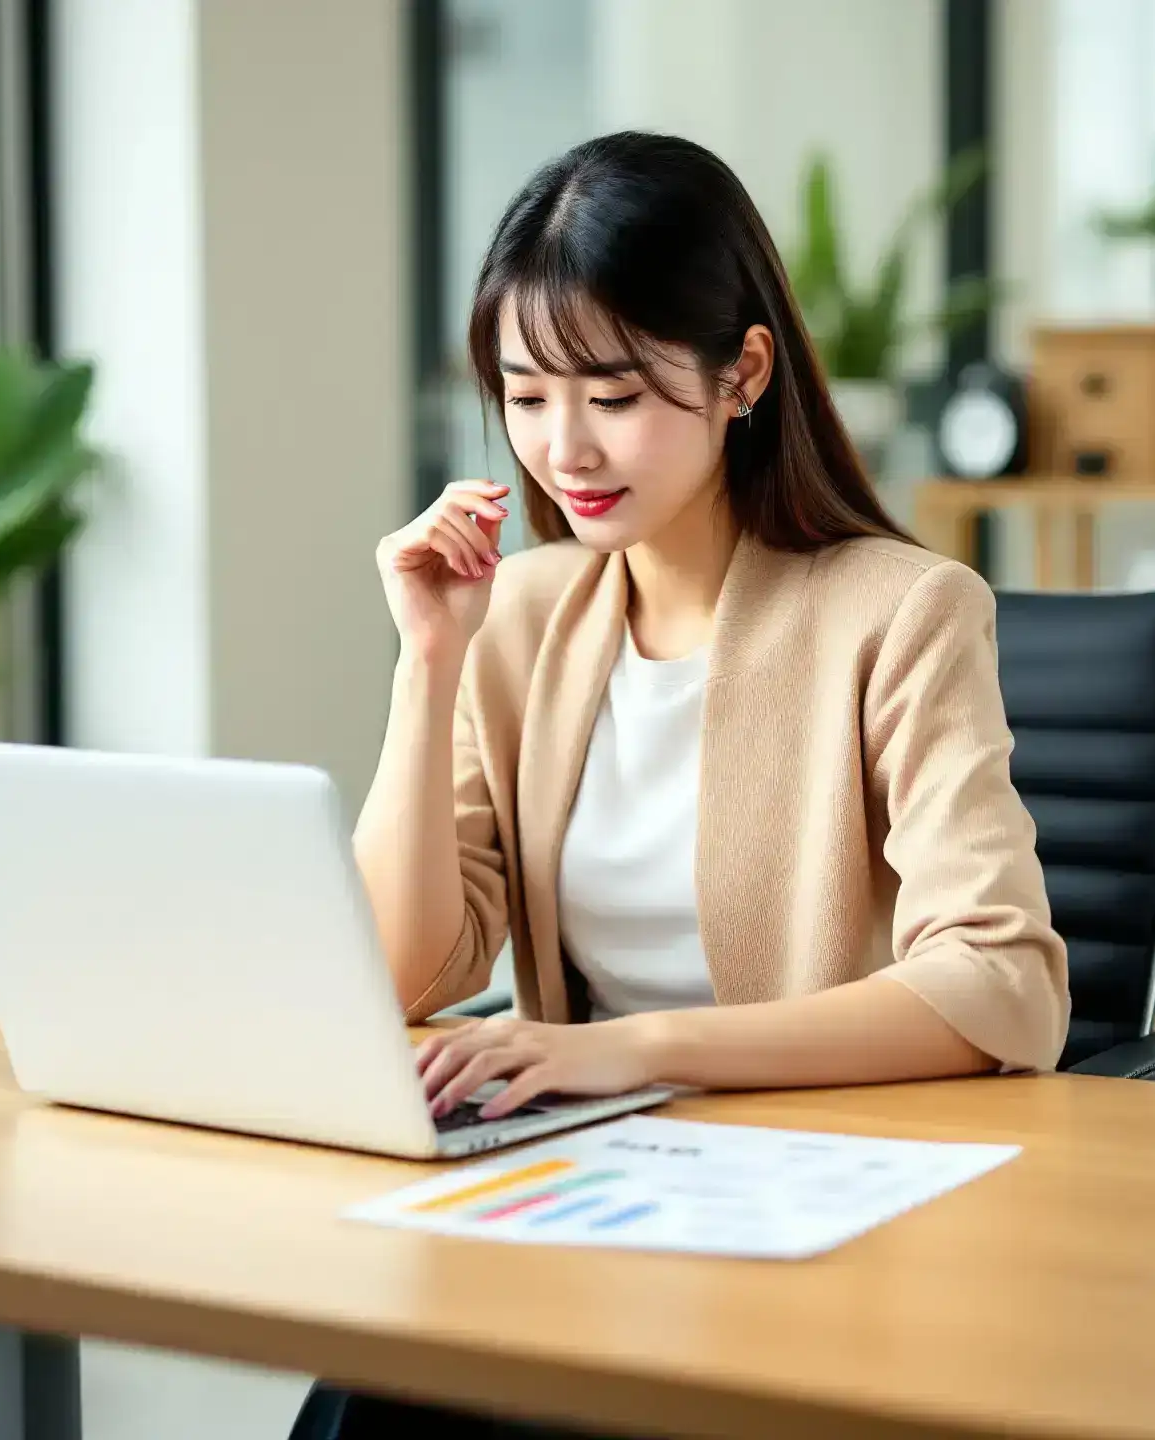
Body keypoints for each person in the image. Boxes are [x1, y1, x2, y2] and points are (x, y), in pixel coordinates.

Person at [289, 131, 1068, 1440]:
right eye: (527, 397)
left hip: (827, 1205)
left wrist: (620, 1053)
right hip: (584, 1192)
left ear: (741, 371)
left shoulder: (906, 613)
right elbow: (403, 969)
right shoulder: (523, 617)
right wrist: (429, 668)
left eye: (613, 394)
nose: (565, 449)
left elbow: (1002, 983)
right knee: (378, 1389)